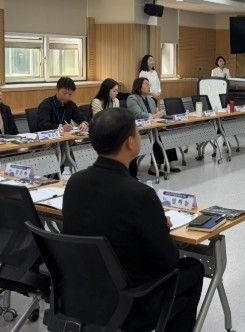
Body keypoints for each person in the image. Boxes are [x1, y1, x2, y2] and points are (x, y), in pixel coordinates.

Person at [62, 108, 204, 332]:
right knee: (193, 268)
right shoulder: (140, 194)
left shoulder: (74, 183)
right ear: (130, 143)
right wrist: (158, 226)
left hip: (83, 290)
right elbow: (168, 259)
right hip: (131, 300)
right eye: (138, 133)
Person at [126, 77, 178, 176]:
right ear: (139, 86)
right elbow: (138, 114)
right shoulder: (132, 98)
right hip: (140, 130)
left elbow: (155, 114)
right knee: (157, 138)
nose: (149, 85)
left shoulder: (150, 99)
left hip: (152, 128)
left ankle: (170, 163)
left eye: (149, 84)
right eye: (146, 84)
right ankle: (154, 167)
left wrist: (160, 115)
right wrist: (154, 116)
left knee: (167, 134)